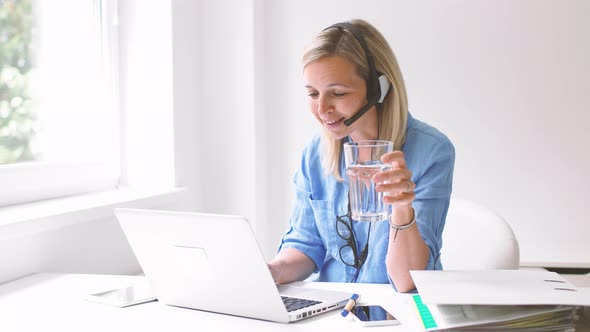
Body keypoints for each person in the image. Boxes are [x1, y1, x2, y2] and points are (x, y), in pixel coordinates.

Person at [267, 19, 455, 293]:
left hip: (397, 316)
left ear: (379, 88)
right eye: (312, 93)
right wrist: (272, 271)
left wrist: (402, 209)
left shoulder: (431, 151)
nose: (322, 109)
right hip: (335, 313)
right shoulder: (314, 155)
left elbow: (406, 281)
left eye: (338, 93)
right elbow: (306, 246)